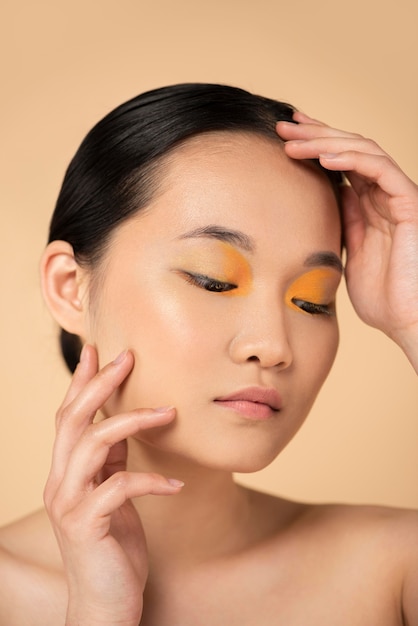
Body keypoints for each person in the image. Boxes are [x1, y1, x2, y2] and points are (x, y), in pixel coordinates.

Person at [0, 83, 417, 626]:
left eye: (313, 301)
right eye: (213, 280)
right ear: (69, 288)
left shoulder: (393, 569)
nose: (272, 346)